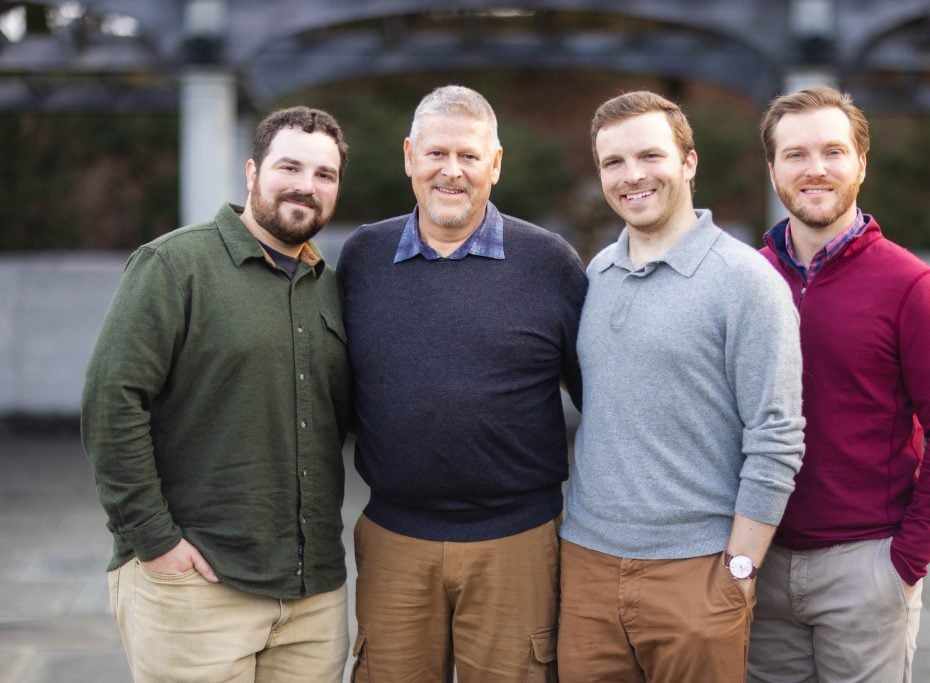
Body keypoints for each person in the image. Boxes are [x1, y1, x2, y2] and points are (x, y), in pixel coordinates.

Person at [81, 106, 352, 682]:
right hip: (198, 586)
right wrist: (155, 543)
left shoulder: (329, 288)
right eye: (290, 167)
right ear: (252, 172)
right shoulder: (175, 264)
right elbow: (111, 404)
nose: (306, 186)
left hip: (314, 597)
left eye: (324, 175)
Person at [336, 84, 587, 682]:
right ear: (409, 158)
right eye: (436, 154)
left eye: (470, 156)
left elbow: (600, 397)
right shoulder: (362, 259)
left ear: (495, 165)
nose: (452, 172)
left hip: (517, 543)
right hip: (394, 538)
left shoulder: (549, 262)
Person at [557, 90, 806, 682]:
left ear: (688, 163)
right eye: (613, 163)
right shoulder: (597, 274)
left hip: (697, 570)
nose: (632, 176)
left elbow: (777, 436)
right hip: (586, 564)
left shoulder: (746, 281)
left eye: (650, 156)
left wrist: (739, 570)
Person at [748, 86, 930, 682]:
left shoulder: (912, 286)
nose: (815, 169)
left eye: (833, 151)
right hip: (758, 559)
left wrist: (905, 562)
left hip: (865, 568)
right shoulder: (746, 279)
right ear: (773, 169)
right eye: (796, 154)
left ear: (861, 164)